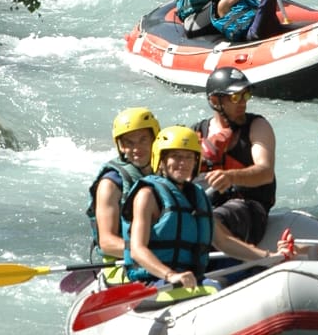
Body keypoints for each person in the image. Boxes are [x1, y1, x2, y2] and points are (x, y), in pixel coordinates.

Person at [122, 126, 296, 287]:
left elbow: (223, 242)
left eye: (189, 157)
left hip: (188, 280)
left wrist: (269, 257)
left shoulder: (197, 196)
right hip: (152, 282)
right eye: (176, 156)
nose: (183, 163)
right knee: (215, 287)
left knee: (251, 275)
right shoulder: (147, 195)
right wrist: (170, 275)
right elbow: (137, 249)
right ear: (161, 160)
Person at [193, 66, 276, 244]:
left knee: (213, 220)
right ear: (215, 101)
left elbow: (266, 172)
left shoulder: (258, 126)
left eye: (246, 95)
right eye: (235, 97)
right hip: (209, 204)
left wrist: (231, 177)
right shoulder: (197, 132)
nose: (243, 102)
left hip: (249, 208)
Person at [86, 107, 161, 264]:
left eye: (143, 140)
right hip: (123, 263)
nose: (137, 149)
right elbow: (107, 243)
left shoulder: (166, 171)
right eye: (129, 142)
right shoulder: (110, 184)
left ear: (155, 139)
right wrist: (154, 254)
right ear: (121, 146)